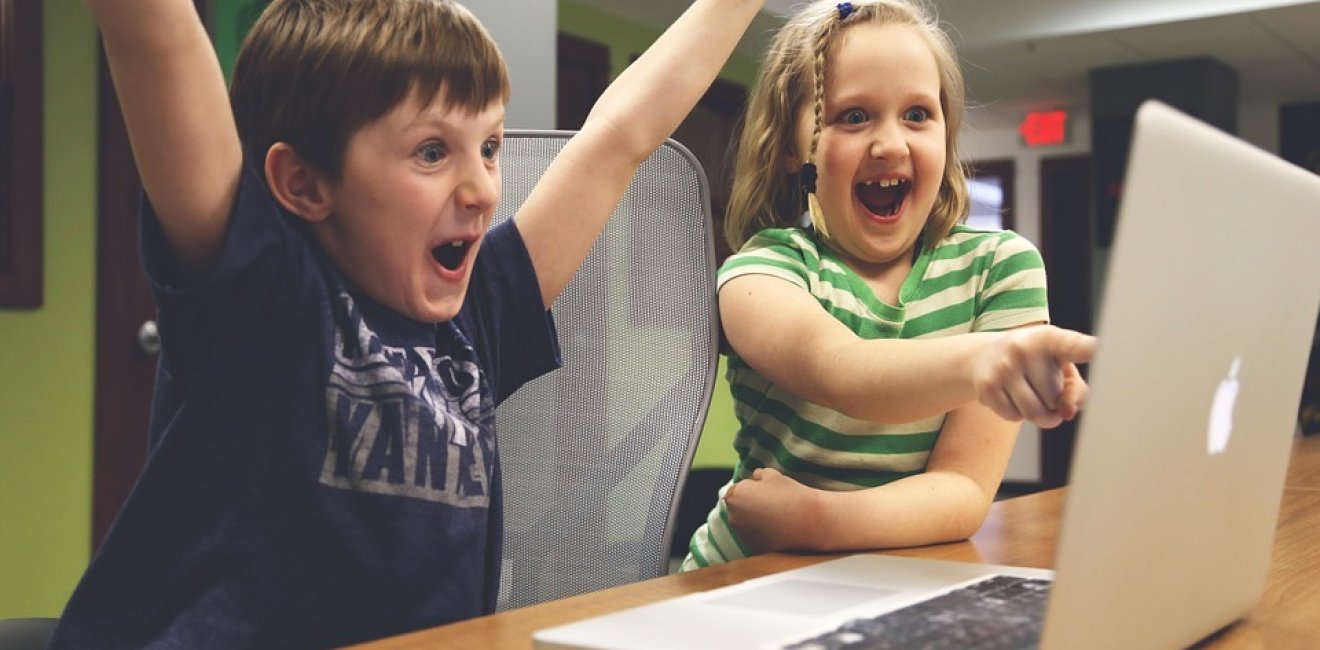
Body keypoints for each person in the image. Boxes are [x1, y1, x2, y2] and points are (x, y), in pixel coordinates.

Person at [59, 0, 764, 647]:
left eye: (488, 147)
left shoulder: (479, 313)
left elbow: (619, 136)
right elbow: (154, 33)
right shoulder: (259, 289)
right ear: (304, 184)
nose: (484, 190)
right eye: (433, 152)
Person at [681, 0, 1096, 571]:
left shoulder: (1001, 268)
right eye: (854, 116)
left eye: (918, 115)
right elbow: (844, 370)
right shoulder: (762, 272)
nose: (892, 144)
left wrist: (817, 521)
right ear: (790, 148)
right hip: (744, 579)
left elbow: (963, 490)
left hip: (891, 577)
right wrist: (985, 360)